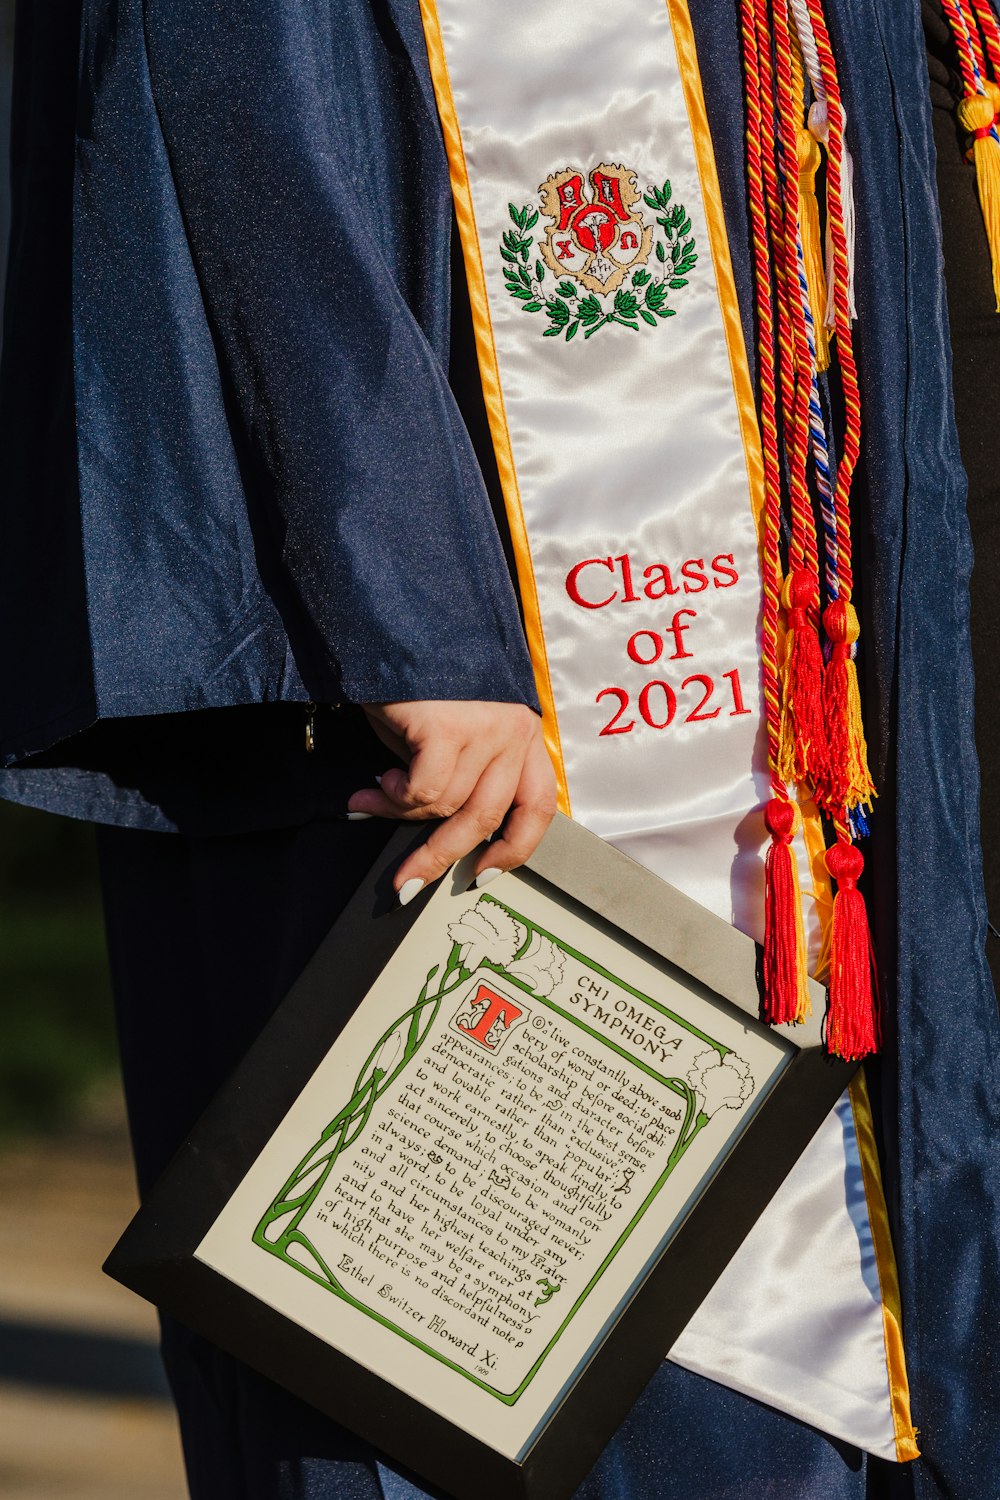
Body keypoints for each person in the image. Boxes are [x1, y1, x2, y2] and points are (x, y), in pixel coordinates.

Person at [2, 2, 998, 1498]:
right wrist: (411, 614)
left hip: (875, 602)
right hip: (505, 648)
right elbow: (242, 117)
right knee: (520, 1369)